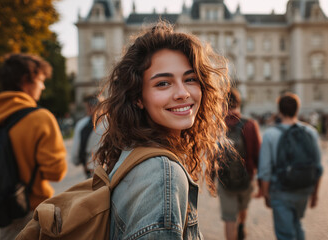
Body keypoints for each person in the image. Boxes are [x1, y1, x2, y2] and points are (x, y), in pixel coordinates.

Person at [93, 21, 231, 239]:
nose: (183, 93)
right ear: (138, 97)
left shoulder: (134, 150)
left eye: (190, 79)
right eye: (163, 83)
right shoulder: (162, 175)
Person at [0, 53, 67, 240]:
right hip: (34, 215)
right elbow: (56, 171)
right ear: (25, 81)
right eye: (40, 80)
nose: (43, 86)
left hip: (0, 212)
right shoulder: (40, 118)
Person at [257, 93, 323, 240]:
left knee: (285, 234)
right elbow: (318, 167)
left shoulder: (271, 134)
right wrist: (315, 194)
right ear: (297, 110)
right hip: (304, 189)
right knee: (297, 223)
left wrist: (266, 194)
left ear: (279, 111)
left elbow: (265, 170)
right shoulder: (311, 132)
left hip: (280, 190)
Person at [216, 88, 261, 240]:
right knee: (243, 207)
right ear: (239, 103)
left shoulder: (216, 126)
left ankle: (237, 226)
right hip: (246, 177)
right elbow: (257, 154)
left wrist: (210, 178)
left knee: (229, 218)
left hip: (224, 180)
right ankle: (242, 224)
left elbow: (212, 156)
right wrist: (261, 182)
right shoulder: (250, 125)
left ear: (222, 104)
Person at [71, 94, 104, 178]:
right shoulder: (111, 123)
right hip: (111, 172)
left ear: (88, 107)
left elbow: (75, 155)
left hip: (90, 170)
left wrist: (77, 161)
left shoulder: (82, 124)